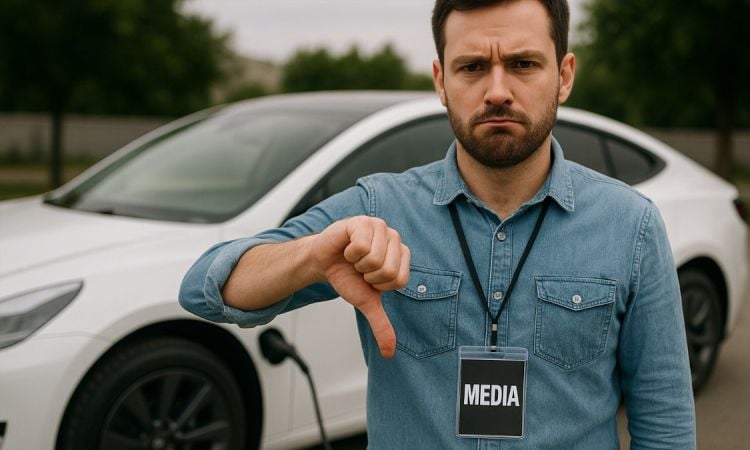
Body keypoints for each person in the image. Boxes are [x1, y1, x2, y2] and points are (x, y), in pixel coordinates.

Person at [179, 0, 696, 447]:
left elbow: (665, 423)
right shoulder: (379, 207)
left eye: (522, 64)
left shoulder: (632, 226)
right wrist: (313, 255)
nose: (497, 90)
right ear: (440, 80)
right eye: (472, 67)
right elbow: (205, 288)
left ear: (563, 76)